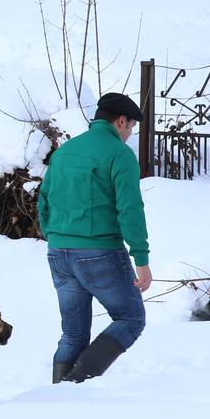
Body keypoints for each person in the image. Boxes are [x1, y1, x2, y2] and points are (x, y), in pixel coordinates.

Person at [36, 93, 152, 384]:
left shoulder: (65, 151)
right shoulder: (119, 154)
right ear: (121, 121)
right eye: (131, 128)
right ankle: (75, 383)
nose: (129, 135)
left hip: (59, 252)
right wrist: (141, 258)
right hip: (99, 251)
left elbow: (44, 200)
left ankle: (59, 394)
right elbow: (130, 209)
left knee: (73, 333)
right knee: (131, 318)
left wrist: (54, 234)